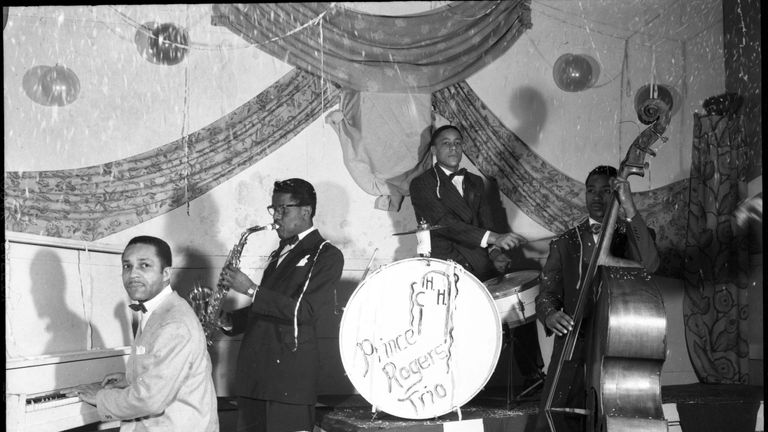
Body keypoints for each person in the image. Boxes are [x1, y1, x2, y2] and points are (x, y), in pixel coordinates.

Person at [534, 165, 660, 432]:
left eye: (606, 190)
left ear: (616, 193)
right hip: (571, 348)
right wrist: (550, 313)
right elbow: (547, 292)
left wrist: (629, 206)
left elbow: (649, 264)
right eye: (591, 190)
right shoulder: (565, 242)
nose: (597, 197)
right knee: (554, 421)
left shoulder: (632, 235)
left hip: (617, 347)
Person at [217, 178, 344, 432]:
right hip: (255, 379)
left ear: (306, 211)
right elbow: (268, 309)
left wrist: (251, 289)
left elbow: (305, 311)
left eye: (283, 209)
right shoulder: (280, 253)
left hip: (289, 381)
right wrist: (229, 320)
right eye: (273, 208)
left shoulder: (326, 254)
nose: (276, 215)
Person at [66, 235, 219, 431]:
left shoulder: (174, 323)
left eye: (144, 265)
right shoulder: (160, 309)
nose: (133, 275)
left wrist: (100, 397)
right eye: (127, 266)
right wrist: (130, 379)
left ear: (166, 273)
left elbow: (150, 400)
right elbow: (163, 372)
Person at [409, 124, 527, 281]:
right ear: (433, 150)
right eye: (446, 143)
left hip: (481, 265)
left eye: (458, 143)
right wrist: (495, 238)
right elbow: (444, 224)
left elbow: (486, 223)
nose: (453, 148)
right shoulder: (421, 183)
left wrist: (495, 254)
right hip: (446, 268)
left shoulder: (475, 181)